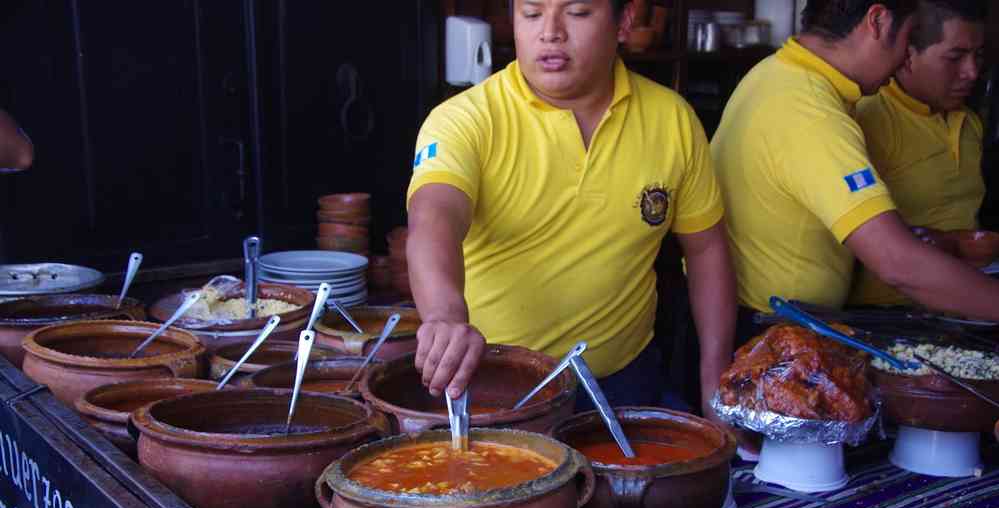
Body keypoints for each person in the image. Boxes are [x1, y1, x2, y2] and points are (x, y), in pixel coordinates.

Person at [406, 0, 736, 417]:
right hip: (492, 389)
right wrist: (444, 315)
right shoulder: (465, 120)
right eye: (531, 14)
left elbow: (707, 250)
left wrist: (715, 383)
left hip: (626, 386)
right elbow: (434, 217)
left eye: (577, 13)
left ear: (625, 21)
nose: (550, 32)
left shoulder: (672, 120)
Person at [711, 0, 999, 343]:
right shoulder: (811, 113)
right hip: (766, 332)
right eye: (907, 37)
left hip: (767, 321)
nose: (904, 58)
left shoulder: (775, 72)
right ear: (876, 21)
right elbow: (897, 263)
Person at [849, 0, 988, 306]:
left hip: (971, 305)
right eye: (955, 58)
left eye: (978, 56)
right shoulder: (869, 118)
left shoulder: (971, 123)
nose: (972, 72)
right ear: (907, 56)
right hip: (891, 315)